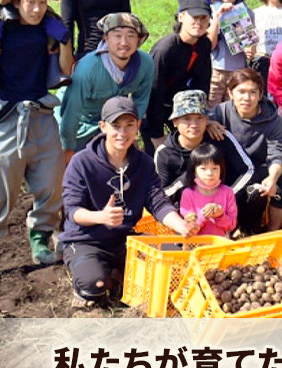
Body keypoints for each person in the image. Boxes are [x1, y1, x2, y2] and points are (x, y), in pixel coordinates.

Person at [0, 0, 73, 288]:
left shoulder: (49, 31)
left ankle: (39, 239)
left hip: (41, 114)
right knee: (0, 191)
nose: (37, 9)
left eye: (42, 2)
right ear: (16, 1)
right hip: (5, 117)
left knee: (52, 184)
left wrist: (64, 38)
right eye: (30, 2)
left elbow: (66, 69)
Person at [59, 96, 192, 306]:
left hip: (125, 239)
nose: (122, 133)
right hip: (86, 239)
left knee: (177, 265)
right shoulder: (81, 162)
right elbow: (73, 210)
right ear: (103, 127)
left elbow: (157, 201)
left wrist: (181, 225)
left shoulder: (144, 163)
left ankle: (119, 272)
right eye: (116, 126)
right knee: (94, 287)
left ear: (138, 126)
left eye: (129, 125)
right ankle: (98, 274)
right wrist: (101, 217)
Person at [57, 13, 152, 159]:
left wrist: (131, 133)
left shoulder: (145, 63)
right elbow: (71, 112)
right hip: (80, 121)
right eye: (117, 36)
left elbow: (140, 102)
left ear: (139, 39)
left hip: (115, 120)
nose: (124, 42)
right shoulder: (88, 68)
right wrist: (68, 148)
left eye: (131, 36)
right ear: (106, 39)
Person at [211, 69, 282, 234]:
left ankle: (271, 232)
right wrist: (208, 123)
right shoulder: (220, 112)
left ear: (261, 94)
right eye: (241, 92)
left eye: (253, 92)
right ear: (230, 92)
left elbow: (277, 153)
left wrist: (273, 177)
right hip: (227, 169)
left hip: (259, 167)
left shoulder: (272, 119)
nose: (247, 98)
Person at [154, 90, 253, 207]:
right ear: (175, 121)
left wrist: (225, 199)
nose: (194, 124)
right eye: (187, 118)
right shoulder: (164, 153)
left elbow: (248, 170)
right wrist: (187, 178)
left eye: (199, 118)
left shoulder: (219, 137)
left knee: (255, 193)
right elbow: (162, 195)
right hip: (188, 211)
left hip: (226, 205)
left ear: (207, 119)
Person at [141, 0, 212, 155]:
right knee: (155, 155)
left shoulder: (204, 44)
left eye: (204, 18)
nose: (198, 23)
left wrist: (203, 117)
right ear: (181, 17)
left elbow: (203, 83)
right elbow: (154, 92)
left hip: (181, 105)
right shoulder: (165, 49)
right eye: (194, 17)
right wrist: (156, 134)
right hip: (153, 108)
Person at [207, 0, 256, 107]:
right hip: (215, 70)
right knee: (211, 109)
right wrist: (217, 18)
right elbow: (209, 45)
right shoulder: (209, 11)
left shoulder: (246, 13)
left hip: (238, 71)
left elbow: (250, 47)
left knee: (233, 110)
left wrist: (250, 49)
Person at [180, 143, 238, 237]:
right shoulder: (188, 193)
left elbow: (231, 225)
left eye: (214, 168)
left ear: (221, 170)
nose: (209, 173)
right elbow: (189, 228)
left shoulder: (228, 192)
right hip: (195, 245)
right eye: (203, 168)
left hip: (220, 244)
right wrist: (204, 215)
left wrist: (219, 215)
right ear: (194, 170)